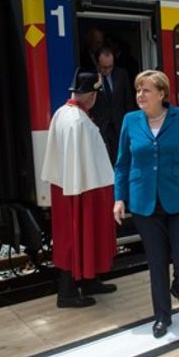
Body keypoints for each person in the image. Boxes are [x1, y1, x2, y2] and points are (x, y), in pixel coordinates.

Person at [113, 70, 179, 338]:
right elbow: (122, 163)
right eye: (138, 90)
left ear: (161, 94)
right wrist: (119, 198)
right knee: (157, 262)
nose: (140, 95)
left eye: (146, 90)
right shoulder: (130, 120)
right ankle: (162, 316)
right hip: (144, 202)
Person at [41, 68, 117, 308]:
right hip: (82, 188)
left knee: (74, 237)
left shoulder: (62, 113)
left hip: (71, 185)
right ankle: (68, 293)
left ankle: (89, 279)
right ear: (92, 96)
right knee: (78, 237)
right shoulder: (78, 121)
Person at [90, 47, 136, 163]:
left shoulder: (121, 75)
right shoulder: (91, 77)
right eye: (103, 67)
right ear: (97, 63)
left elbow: (128, 100)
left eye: (110, 66)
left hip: (118, 124)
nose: (107, 70)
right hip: (100, 125)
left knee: (119, 157)